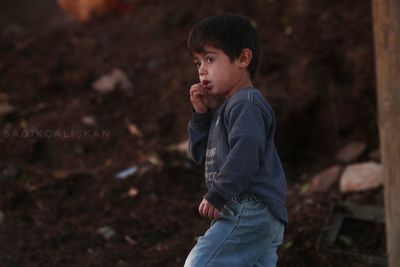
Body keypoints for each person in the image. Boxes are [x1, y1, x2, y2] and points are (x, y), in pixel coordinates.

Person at [184, 14, 288, 267]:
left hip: (248, 207)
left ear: (243, 58)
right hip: (255, 212)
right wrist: (200, 117)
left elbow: (246, 152)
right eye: (198, 62)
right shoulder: (228, 109)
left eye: (210, 59)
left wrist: (218, 194)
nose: (201, 69)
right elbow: (204, 157)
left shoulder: (246, 105)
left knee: (200, 264)